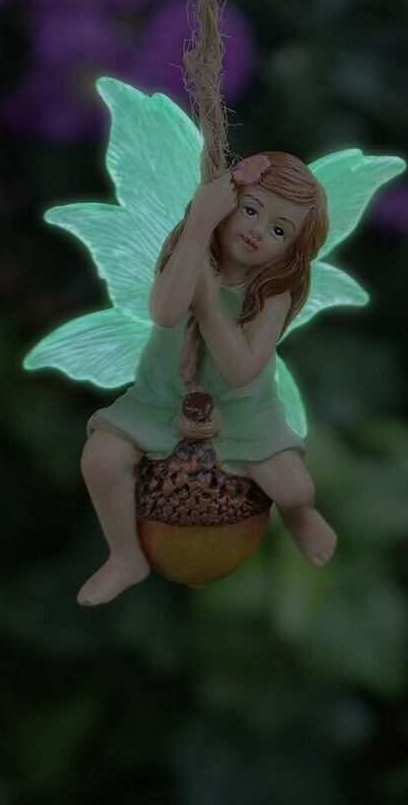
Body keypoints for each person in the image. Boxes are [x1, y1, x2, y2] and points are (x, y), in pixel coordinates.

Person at [77, 151, 335, 606]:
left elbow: (240, 371)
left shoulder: (273, 293)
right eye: (250, 210)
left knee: (296, 489)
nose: (258, 230)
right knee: (100, 460)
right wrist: (200, 220)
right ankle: (125, 556)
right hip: (160, 400)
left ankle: (300, 517)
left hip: (242, 412)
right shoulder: (193, 256)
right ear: (229, 203)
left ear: (293, 249)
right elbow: (164, 312)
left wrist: (211, 307)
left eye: (279, 230)